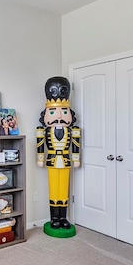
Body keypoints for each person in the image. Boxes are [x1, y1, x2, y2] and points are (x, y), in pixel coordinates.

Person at [36, 76, 81, 234]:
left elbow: (75, 146)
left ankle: (63, 217)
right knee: (54, 189)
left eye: (64, 111)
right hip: (52, 161)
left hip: (66, 161)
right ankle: (54, 218)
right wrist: (40, 159)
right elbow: (41, 145)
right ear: (46, 113)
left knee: (64, 189)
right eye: (53, 112)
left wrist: (76, 159)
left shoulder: (73, 131)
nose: (59, 116)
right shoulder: (43, 131)